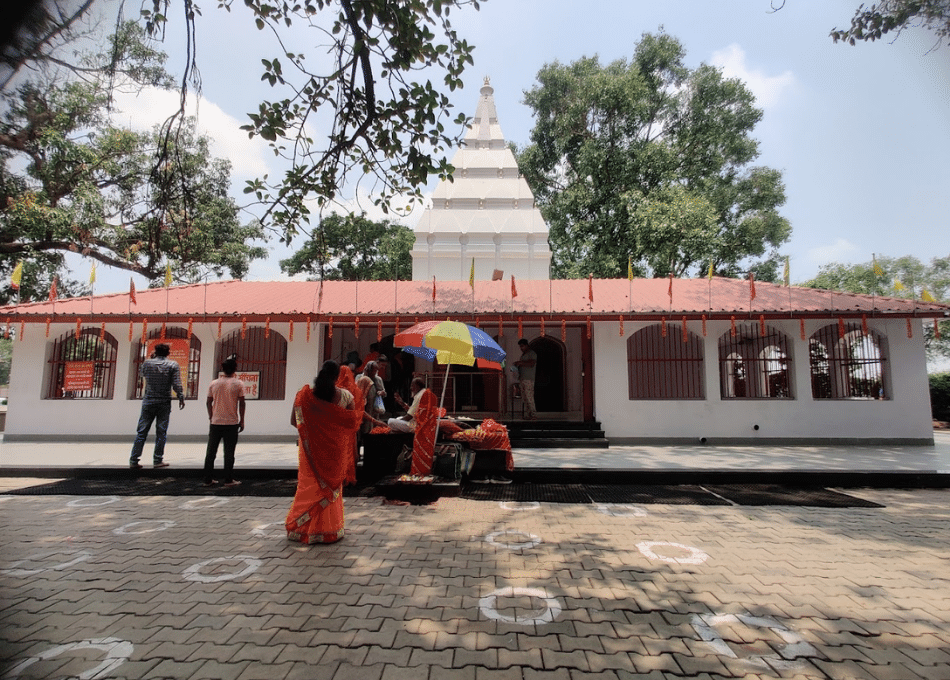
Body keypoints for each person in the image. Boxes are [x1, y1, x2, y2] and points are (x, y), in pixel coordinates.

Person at [286, 360, 362, 544]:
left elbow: (294, 422)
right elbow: (352, 425)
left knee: (310, 487)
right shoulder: (346, 397)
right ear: (337, 377)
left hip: (310, 452)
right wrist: (332, 431)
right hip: (335, 452)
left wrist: (314, 431)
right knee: (331, 489)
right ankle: (329, 530)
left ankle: (303, 529)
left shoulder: (304, 396)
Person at [129, 343, 185, 469]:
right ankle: (157, 459)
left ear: (155, 351)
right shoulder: (173, 365)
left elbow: (142, 374)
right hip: (164, 402)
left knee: (142, 431)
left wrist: (151, 358)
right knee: (161, 431)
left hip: (148, 401)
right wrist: (180, 396)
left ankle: (134, 459)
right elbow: (176, 383)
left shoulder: (147, 363)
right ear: (168, 353)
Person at [202, 358, 246, 487]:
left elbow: (208, 402)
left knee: (211, 452)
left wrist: (211, 416)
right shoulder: (238, 384)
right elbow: (242, 403)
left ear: (222, 369)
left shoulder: (214, 383)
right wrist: (242, 420)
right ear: (235, 369)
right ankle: (228, 479)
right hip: (231, 422)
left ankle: (207, 479)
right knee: (229, 452)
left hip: (216, 422)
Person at [390, 377, 438, 476]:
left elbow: (409, 416)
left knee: (391, 421)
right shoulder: (425, 394)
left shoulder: (420, 395)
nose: (411, 388)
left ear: (417, 386)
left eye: (412, 385)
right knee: (398, 419)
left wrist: (397, 422)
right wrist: (402, 403)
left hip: (418, 427)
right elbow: (414, 412)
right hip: (425, 426)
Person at [513, 338, 538, 420]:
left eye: (522, 346)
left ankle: (533, 414)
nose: (521, 348)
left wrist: (520, 363)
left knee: (529, 396)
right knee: (524, 397)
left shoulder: (531, 353)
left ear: (527, 345)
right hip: (522, 378)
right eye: (520, 346)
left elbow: (531, 363)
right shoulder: (523, 355)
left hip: (528, 378)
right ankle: (528, 414)